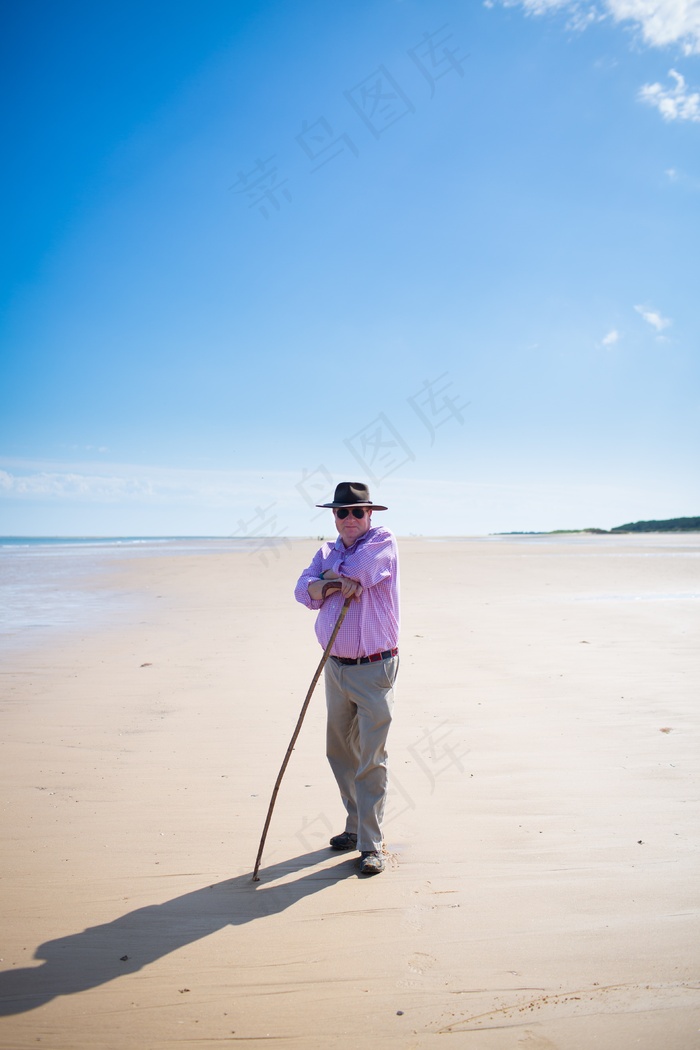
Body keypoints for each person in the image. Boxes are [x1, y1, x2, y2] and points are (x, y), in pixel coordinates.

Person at [294, 481, 399, 876]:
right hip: (334, 666)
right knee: (339, 752)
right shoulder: (325, 550)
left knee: (371, 757)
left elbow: (361, 572)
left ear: (370, 514)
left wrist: (326, 581)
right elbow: (303, 592)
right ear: (334, 516)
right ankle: (354, 827)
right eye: (343, 512)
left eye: (358, 512)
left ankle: (372, 844)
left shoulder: (383, 540)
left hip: (375, 667)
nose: (350, 518)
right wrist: (333, 583)